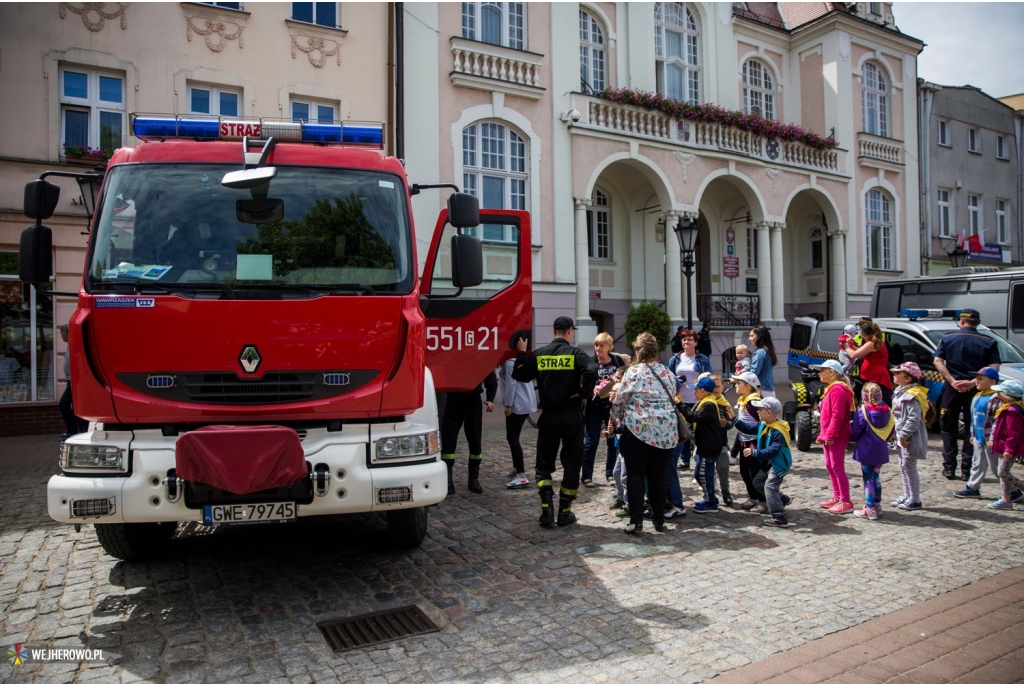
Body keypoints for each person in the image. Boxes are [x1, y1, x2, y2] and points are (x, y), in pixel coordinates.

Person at [513, 316, 597, 527]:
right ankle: (565, 512)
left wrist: (522, 352)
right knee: (571, 464)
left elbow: (520, 375)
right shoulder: (576, 353)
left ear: (554, 331)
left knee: (544, 465)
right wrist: (583, 392)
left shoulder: (540, 354)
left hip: (549, 416)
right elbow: (592, 369)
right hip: (571, 415)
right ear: (570, 331)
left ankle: (546, 510)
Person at [608, 332, 678, 534]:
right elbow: (673, 395)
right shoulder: (666, 372)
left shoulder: (634, 371)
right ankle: (659, 521)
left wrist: (615, 417)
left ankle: (636, 520)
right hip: (665, 431)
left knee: (635, 474)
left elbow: (620, 399)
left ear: (638, 351)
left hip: (638, 429)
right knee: (658, 475)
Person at [933, 308, 1001, 481]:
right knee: (973, 426)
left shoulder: (947, 338)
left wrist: (952, 380)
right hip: (977, 390)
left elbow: (937, 361)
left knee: (948, 427)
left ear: (961, 322)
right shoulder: (989, 341)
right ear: (977, 323)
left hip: (951, 388)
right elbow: (994, 368)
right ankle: (967, 469)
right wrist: (973, 382)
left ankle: (949, 468)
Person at [733, 396, 793, 527]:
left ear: (769, 413)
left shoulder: (778, 431)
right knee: (758, 482)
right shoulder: (763, 425)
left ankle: (779, 517)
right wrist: (733, 419)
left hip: (778, 464)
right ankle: (781, 498)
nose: (758, 411)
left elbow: (773, 450)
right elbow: (747, 428)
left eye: (760, 409)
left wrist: (755, 452)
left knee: (770, 486)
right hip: (769, 463)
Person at [440, 370, 497, 495]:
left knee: (475, 442)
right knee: (448, 440)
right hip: (453, 401)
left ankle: (473, 479)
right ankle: (447, 480)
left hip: (473, 402)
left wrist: (490, 399)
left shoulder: (480, 357)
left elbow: (491, 379)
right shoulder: (452, 355)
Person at [582, 333, 628, 487]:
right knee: (591, 441)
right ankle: (586, 475)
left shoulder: (617, 360)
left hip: (612, 406)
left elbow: (625, 378)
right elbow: (584, 382)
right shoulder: (591, 362)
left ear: (609, 346)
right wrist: (592, 388)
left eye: (601, 345)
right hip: (594, 406)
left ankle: (610, 473)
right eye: (596, 345)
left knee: (611, 441)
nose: (598, 348)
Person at [813, 359, 855, 515]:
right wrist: (823, 434)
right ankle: (837, 496)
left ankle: (846, 501)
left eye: (822, 370)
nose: (819, 373)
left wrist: (830, 434)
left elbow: (837, 415)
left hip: (837, 435)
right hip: (829, 434)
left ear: (832, 373)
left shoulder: (838, 390)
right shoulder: (831, 389)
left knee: (837, 467)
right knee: (830, 466)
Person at [682, 376, 729, 514]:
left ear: (702, 391)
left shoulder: (708, 405)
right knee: (700, 473)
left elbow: (693, 417)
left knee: (704, 474)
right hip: (705, 446)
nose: (694, 393)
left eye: (695, 390)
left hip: (709, 446)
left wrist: (680, 404)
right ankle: (710, 498)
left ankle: (710, 502)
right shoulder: (706, 402)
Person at [955, 368, 1002, 500]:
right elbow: (974, 418)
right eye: (976, 379)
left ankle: (1014, 490)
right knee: (977, 464)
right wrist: (973, 434)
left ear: (992, 382)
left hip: (991, 440)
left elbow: (997, 422)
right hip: (979, 438)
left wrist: (993, 438)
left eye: (981, 379)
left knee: (997, 467)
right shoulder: (977, 396)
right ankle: (973, 488)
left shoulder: (996, 398)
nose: (977, 382)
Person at [890, 361, 930, 511]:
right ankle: (907, 495)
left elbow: (913, 419)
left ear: (908, 378)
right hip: (902, 436)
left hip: (909, 437)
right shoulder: (901, 391)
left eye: (897, 373)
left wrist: (903, 435)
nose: (894, 375)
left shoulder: (912, 395)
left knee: (910, 467)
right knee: (904, 466)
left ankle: (915, 498)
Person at [669, 329, 712, 469]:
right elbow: (668, 378)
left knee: (698, 429)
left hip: (697, 399)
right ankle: (685, 459)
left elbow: (708, 376)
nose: (686, 342)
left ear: (696, 342)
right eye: (684, 339)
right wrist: (676, 381)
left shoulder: (702, 359)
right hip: (680, 398)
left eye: (689, 339)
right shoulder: (675, 359)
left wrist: (699, 383)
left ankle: (700, 457)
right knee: (682, 428)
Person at [851, 382, 893, 520]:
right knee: (876, 477)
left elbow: (857, 430)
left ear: (864, 396)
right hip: (880, 448)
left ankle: (869, 508)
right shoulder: (888, 410)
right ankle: (877, 505)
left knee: (867, 478)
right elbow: (892, 428)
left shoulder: (863, 411)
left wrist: (854, 438)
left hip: (866, 449)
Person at [698, 371, 734, 506]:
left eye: (718, 387)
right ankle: (710, 492)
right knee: (704, 470)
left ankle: (726, 491)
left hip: (721, 442)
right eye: (713, 388)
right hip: (706, 443)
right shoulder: (705, 403)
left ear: (722, 387)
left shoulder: (725, 404)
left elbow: (732, 422)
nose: (715, 390)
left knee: (723, 468)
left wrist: (727, 424)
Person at [501, 353, 537, 490]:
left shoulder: (511, 360)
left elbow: (511, 383)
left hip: (518, 403)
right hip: (521, 401)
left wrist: (508, 404)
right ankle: (517, 468)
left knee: (512, 437)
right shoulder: (516, 358)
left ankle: (521, 474)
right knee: (512, 437)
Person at [987, 379, 1024, 510]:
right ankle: (1006, 500)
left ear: (1005, 395)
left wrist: (1009, 449)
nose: (997, 394)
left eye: (999, 392)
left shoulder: (1012, 411)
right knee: (1004, 473)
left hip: (1009, 449)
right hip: (1004, 447)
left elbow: (1014, 433)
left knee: (1002, 473)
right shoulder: (1007, 408)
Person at [730, 371, 764, 511]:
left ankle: (763, 500)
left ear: (748, 386)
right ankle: (753, 497)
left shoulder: (753, 403)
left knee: (755, 473)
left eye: (739, 383)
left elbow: (762, 424)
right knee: (745, 472)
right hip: (744, 443)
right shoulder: (743, 400)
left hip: (754, 444)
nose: (736, 385)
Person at [845, 321, 894, 406]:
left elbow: (853, 355)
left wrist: (845, 345)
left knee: (874, 401)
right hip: (877, 376)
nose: (863, 338)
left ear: (870, 334)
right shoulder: (878, 342)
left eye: (863, 335)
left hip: (875, 377)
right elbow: (862, 352)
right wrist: (852, 346)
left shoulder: (871, 344)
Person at [57, 326, 87, 439]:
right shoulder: (70, 346)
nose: (61, 336)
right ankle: (81, 430)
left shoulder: (76, 346)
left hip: (75, 381)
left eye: (61, 333)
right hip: (71, 380)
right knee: (76, 405)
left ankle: (74, 431)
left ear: (67, 332)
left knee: (64, 404)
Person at [748, 325, 777, 397]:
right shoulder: (768, 350)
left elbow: (753, 373)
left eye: (752, 336)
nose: (749, 338)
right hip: (769, 390)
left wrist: (738, 380)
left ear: (759, 337)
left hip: (761, 391)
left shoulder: (760, 352)